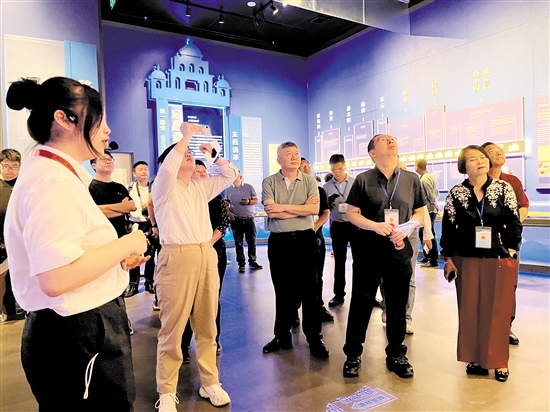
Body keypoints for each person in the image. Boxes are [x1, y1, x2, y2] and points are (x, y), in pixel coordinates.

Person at [5, 76, 148, 410]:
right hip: (79, 331)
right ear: (64, 118)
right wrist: (128, 243)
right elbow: (56, 278)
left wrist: (112, 260)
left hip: (75, 328)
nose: (107, 130)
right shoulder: (54, 182)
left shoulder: (52, 175)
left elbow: (66, 256)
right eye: (99, 119)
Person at [152, 122, 237, 411]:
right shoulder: (163, 187)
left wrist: (214, 156)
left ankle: (210, 382)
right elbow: (170, 165)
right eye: (182, 152)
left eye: (190, 152)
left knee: (207, 324)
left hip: (206, 254)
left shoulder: (200, 187)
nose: (188, 154)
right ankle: (167, 390)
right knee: (172, 329)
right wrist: (186, 134)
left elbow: (230, 175)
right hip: (177, 258)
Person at [342, 134, 425, 379]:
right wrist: (375, 226)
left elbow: (420, 213)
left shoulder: (411, 179)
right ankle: (353, 354)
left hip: (399, 248)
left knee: (398, 303)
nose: (391, 141)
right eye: (383, 140)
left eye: (393, 139)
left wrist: (408, 227)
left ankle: (397, 353)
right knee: (362, 301)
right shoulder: (363, 180)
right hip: (368, 248)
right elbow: (352, 214)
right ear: (372, 153)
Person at [440, 145, 522, 382]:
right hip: (465, 260)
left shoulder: (503, 188)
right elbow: (448, 228)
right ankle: (474, 358)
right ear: (463, 166)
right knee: (470, 311)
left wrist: (511, 249)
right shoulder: (456, 193)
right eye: (473, 159)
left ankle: (499, 361)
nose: (480, 161)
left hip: (497, 259)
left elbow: (514, 223)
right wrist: (448, 258)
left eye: (482, 157)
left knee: (498, 312)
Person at [261, 142, 329, 358]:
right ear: (278, 160)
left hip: (305, 240)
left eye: (297, 153)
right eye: (288, 154)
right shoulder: (269, 182)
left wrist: (282, 207)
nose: (294, 157)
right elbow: (271, 212)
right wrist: (300, 209)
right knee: (282, 290)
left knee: (310, 290)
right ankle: (281, 335)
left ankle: (314, 338)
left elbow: (314, 209)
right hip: (279, 242)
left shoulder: (309, 181)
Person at [181, 159, 231, 362]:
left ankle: (213, 340)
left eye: (204, 172)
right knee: (186, 300)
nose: (202, 175)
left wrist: (207, 243)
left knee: (212, 298)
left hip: (214, 251)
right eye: (197, 171)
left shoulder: (215, 197)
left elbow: (223, 223)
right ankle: (183, 345)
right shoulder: (182, 197)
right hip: (188, 254)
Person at [482, 142, 529, 345]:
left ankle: (506, 326)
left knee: (509, 283)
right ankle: (484, 324)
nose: (498, 152)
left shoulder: (512, 181)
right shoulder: (478, 181)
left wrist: (511, 224)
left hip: (508, 240)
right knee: (485, 282)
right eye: (491, 150)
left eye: (499, 149)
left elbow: (523, 205)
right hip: (483, 241)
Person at [299, 157, 333, 322]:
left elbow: (325, 212)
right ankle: (293, 310)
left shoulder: (319, 190)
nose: (306, 168)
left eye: (308, 165)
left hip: (315, 237)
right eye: (302, 166)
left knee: (317, 275)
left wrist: (315, 226)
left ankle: (318, 306)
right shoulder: (294, 191)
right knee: (295, 277)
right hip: (296, 237)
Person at [323, 154, 357, 307]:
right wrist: (328, 203)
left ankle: (362, 294)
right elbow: (324, 208)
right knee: (339, 261)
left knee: (360, 261)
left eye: (340, 169)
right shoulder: (327, 187)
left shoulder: (356, 183)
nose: (337, 173)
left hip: (355, 225)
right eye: (333, 170)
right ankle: (338, 294)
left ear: (345, 167)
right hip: (337, 226)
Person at [126, 161, 159, 296]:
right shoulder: (129, 188)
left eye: (146, 168)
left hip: (150, 224)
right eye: (140, 169)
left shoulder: (154, 188)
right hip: (135, 224)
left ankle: (149, 282)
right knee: (134, 255)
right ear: (134, 173)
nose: (144, 171)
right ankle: (133, 284)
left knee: (150, 255)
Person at [89, 150, 136, 239]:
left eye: (110, 159)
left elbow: (131, 206)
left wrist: (102, 208)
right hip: (100, 237)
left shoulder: (120, 187)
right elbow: (91, 213)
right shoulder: (90, 187)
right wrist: (122, 208)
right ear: (94, 165)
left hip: (122, 235)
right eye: (103, 159)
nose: (108, 162)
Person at [225, 172, 262, 273]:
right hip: (236, 219)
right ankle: (241, 264)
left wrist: (248, 202)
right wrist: (229, 213)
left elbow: (256, 200)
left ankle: (252, 261)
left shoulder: (249, 187)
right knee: (238, 243)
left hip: (249, 219)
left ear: (240, 177)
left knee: (252, 241)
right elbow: (226, 204)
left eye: (235, 175)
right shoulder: (228, 190)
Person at [1, 149, 21, 322]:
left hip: (20, 240)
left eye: (14, 166)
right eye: (5, 166)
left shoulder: (24, 186)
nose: (9, 170)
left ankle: (19, 309)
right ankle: (5, 310)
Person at [414, 158, 440, 268]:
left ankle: (432, 259)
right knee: (424, 233)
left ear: (417, 166)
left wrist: (435, 204)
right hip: (431, 209)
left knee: (428, 233)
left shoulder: (424, 179)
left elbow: (430, 195)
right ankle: (427, 256)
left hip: (428, 210)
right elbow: (436, 193)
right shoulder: (430, 176)